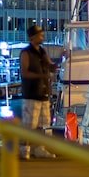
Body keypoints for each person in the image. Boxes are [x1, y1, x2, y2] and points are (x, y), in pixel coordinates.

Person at [18, 23, 61, 158]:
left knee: (44, 123)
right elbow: (24, 73)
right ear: (33, 37)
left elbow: (50, 66)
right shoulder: (26, 53)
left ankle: (39, 148)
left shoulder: (42, 51)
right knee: (29, 124)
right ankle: (25, 149)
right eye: (40, 35)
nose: (42, 37)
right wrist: (43, 76)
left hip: (43, 93)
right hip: (31, 93)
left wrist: (59, 62)